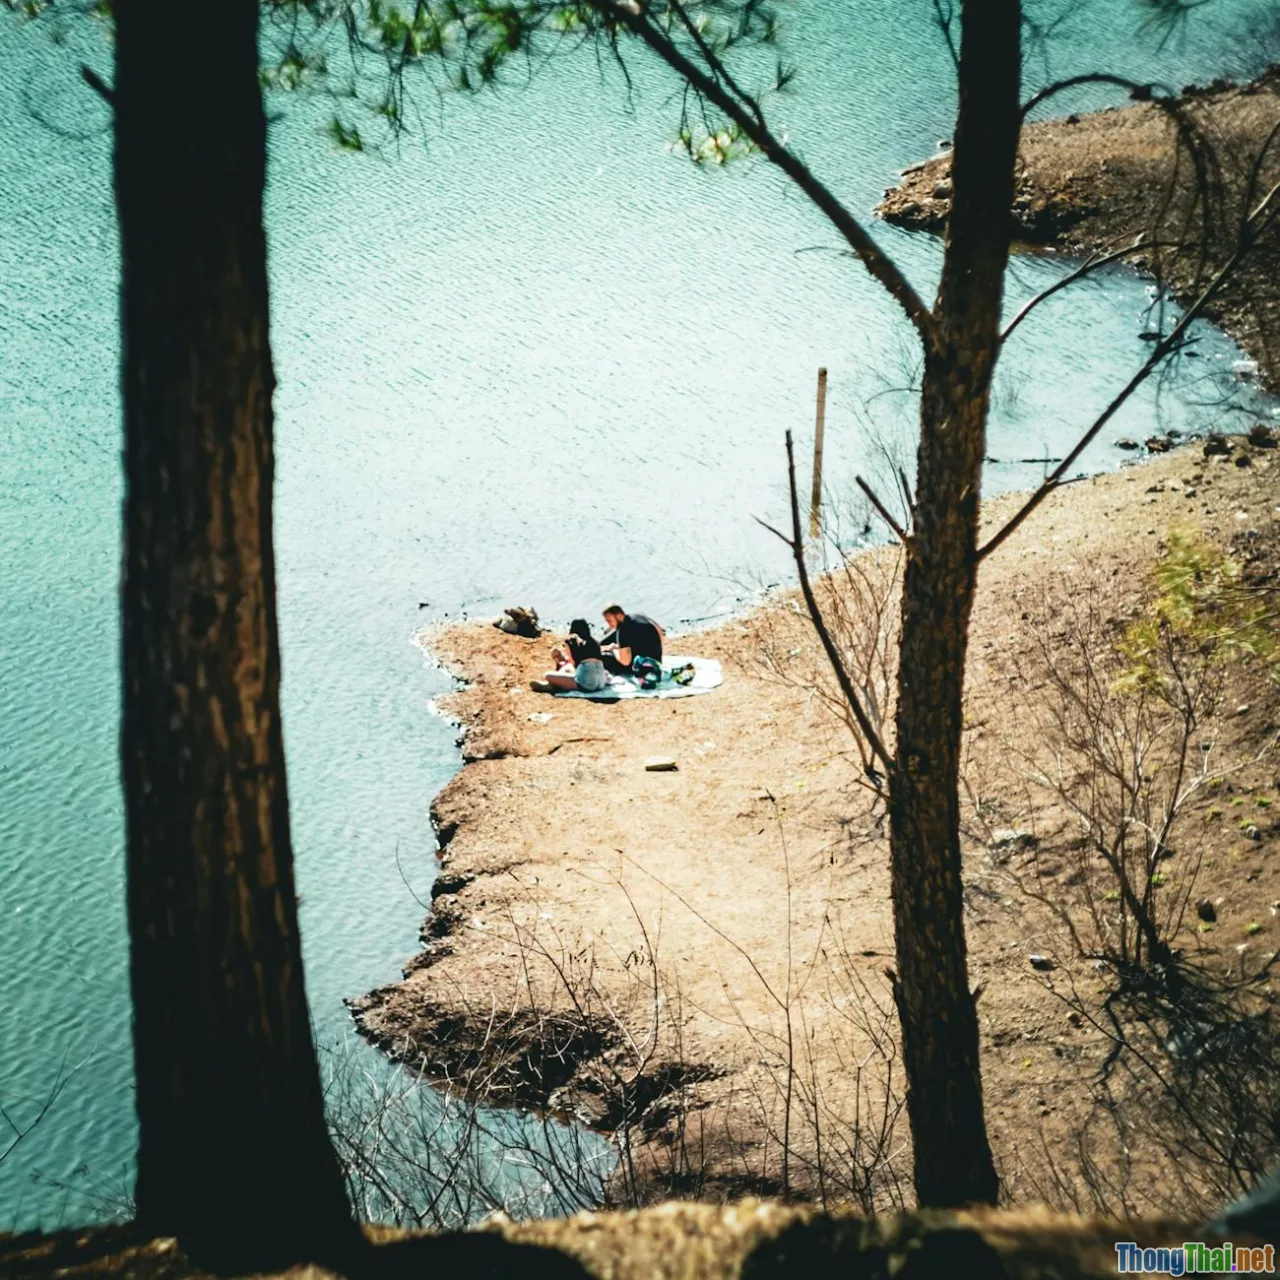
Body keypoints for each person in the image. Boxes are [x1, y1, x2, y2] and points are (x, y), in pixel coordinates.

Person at [537, 618, 608, 693]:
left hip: (586, 683)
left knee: (547, 675)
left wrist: (561, 661)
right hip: (601, 683)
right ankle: (556, 684)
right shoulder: (595, 642)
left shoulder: (571, 640)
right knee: (568, 671)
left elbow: (572, 663)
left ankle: (554, 685)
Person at [600, 603, 664, 677]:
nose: (609, 625)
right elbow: (660, 631)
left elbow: (625, 662)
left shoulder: (623, 631)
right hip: (656, 661)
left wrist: (613, 650)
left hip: (642, 667)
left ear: (619, 616)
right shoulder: (640, 616)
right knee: (604, 642)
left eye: (609, 621)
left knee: (604, 657)